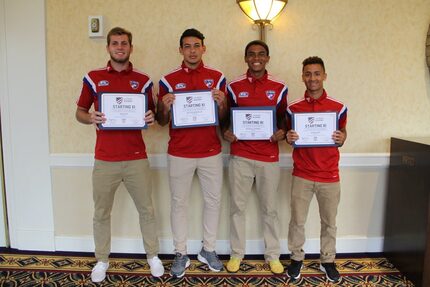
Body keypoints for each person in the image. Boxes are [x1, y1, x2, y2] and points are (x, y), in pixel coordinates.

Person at [75, 27, 164, 283]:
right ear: (108, 48)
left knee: (146, 209)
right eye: (115, 43)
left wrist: (151, 116)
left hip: (136, 157)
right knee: (101, 212)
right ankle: (102, 260)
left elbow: (154, 115)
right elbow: (79, 112)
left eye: (124, 43)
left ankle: (152, 256)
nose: (120, 47)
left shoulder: (144, 80)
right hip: (105, 159)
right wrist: (90, 116)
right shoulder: (93, 78)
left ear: (131, 47)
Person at [156, 28, 227, 278]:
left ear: (203, 48)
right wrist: (164, 107)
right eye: (187, 46)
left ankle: (208, 249)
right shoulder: (167, 80)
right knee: (179, 203)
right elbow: (161, 121)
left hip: (210, 151)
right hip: (179, 152)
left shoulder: (217, 78)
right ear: (181, 50)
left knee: (213, 201)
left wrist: (221, 104)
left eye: (197, 45)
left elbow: (223, 118)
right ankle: (180, 252)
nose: (192, 50)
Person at [221, 40, 288, 274]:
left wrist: (281, 131)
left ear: (267, 58)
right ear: (246, 58)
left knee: (270, 210)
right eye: (251, 54)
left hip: (269, 157)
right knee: (237, 208)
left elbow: (283, 118)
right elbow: (225, 117)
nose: (256, 58)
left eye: (261, 54)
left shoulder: (279, 87)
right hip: (240, 155)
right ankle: (236, 254)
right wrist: (225, 132)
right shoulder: (234, 86)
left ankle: (273, 255)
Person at [285, 56, 347, 282]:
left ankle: (328, 260)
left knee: (329, 222)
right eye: (308, 74)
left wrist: (342, 137)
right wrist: (290, 137)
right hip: (302, 173)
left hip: (329, 175)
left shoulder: (338, 107)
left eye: (317, 73)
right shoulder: (293, 108)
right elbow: (290, 136)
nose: (312, 78)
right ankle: (296, 258)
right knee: (297, 221)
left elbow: (342, 134)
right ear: (303, 77)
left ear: (324, 76)